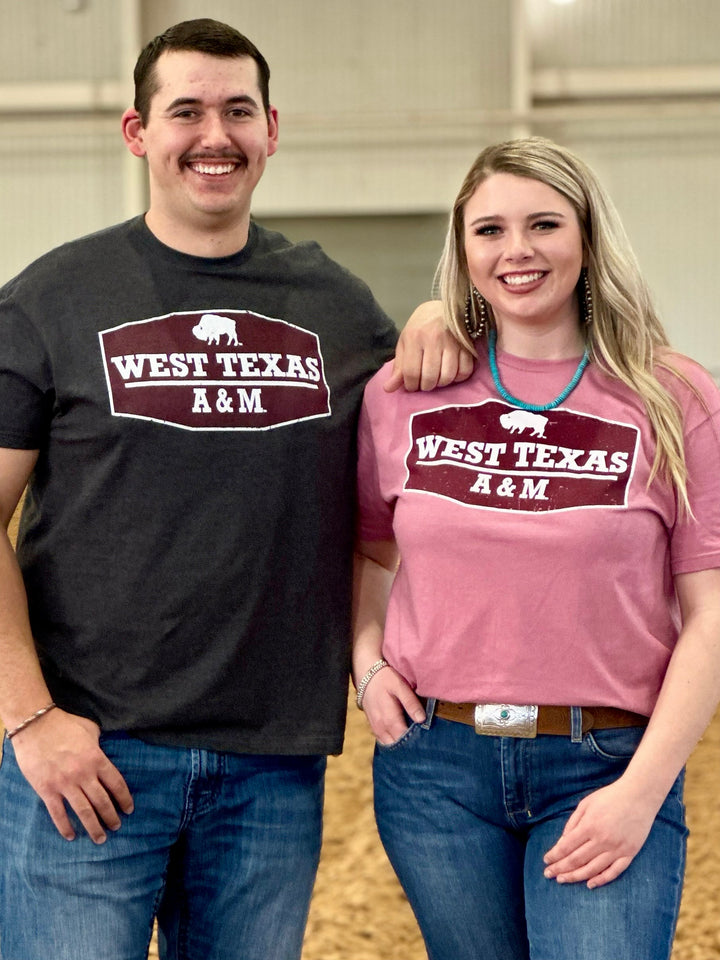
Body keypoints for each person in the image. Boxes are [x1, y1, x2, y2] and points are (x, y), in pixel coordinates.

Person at [0, 18, 468, 960]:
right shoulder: (53, 299)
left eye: (237, 111)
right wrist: (29, 717)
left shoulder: (339, 308)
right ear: (139, 133)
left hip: (270, 769)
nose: (214, 135)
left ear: (271, 128)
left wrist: (444, 314)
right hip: (88, 758)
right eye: (186, 111)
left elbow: (412, 482)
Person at [353, 136, 720, 960]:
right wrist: (367, 661)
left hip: (606, 761)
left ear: (588, 238)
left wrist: (642, 790)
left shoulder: (676, 399)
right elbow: (370, 554)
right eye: (489, 231)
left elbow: (712, 614)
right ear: (463, 249)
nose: (516, 251)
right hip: (435, 769)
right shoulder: (402, 394)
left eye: (543, 224)